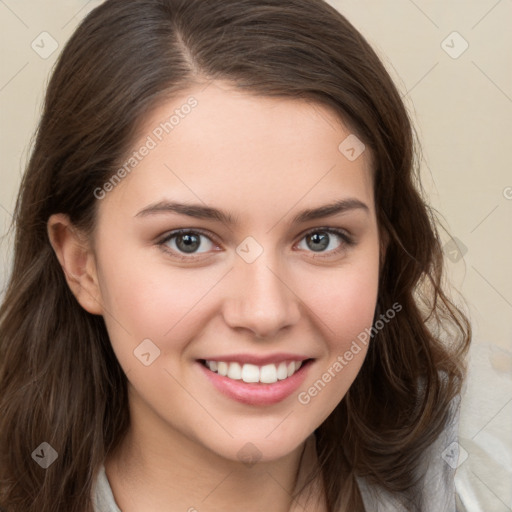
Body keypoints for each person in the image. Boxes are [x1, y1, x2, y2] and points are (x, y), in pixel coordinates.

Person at [0, 0, 472, 510]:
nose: (265, 312)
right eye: (189, 241)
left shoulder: (481, 464)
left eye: (321, 238)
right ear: (81, 265)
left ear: (383, 247)